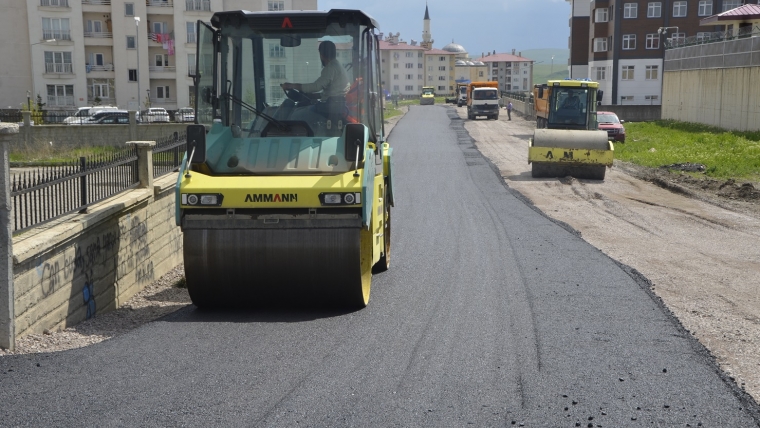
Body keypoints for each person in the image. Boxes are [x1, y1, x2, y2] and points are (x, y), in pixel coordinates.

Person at [280, 40, 349, 120]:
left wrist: (291, 85)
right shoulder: (338, 66)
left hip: (328, 108)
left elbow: (316, 86)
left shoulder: (330, 68)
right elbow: (331, 93)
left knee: (295, 115)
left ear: (321, 54)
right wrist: (311, 95)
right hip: (332, 106)